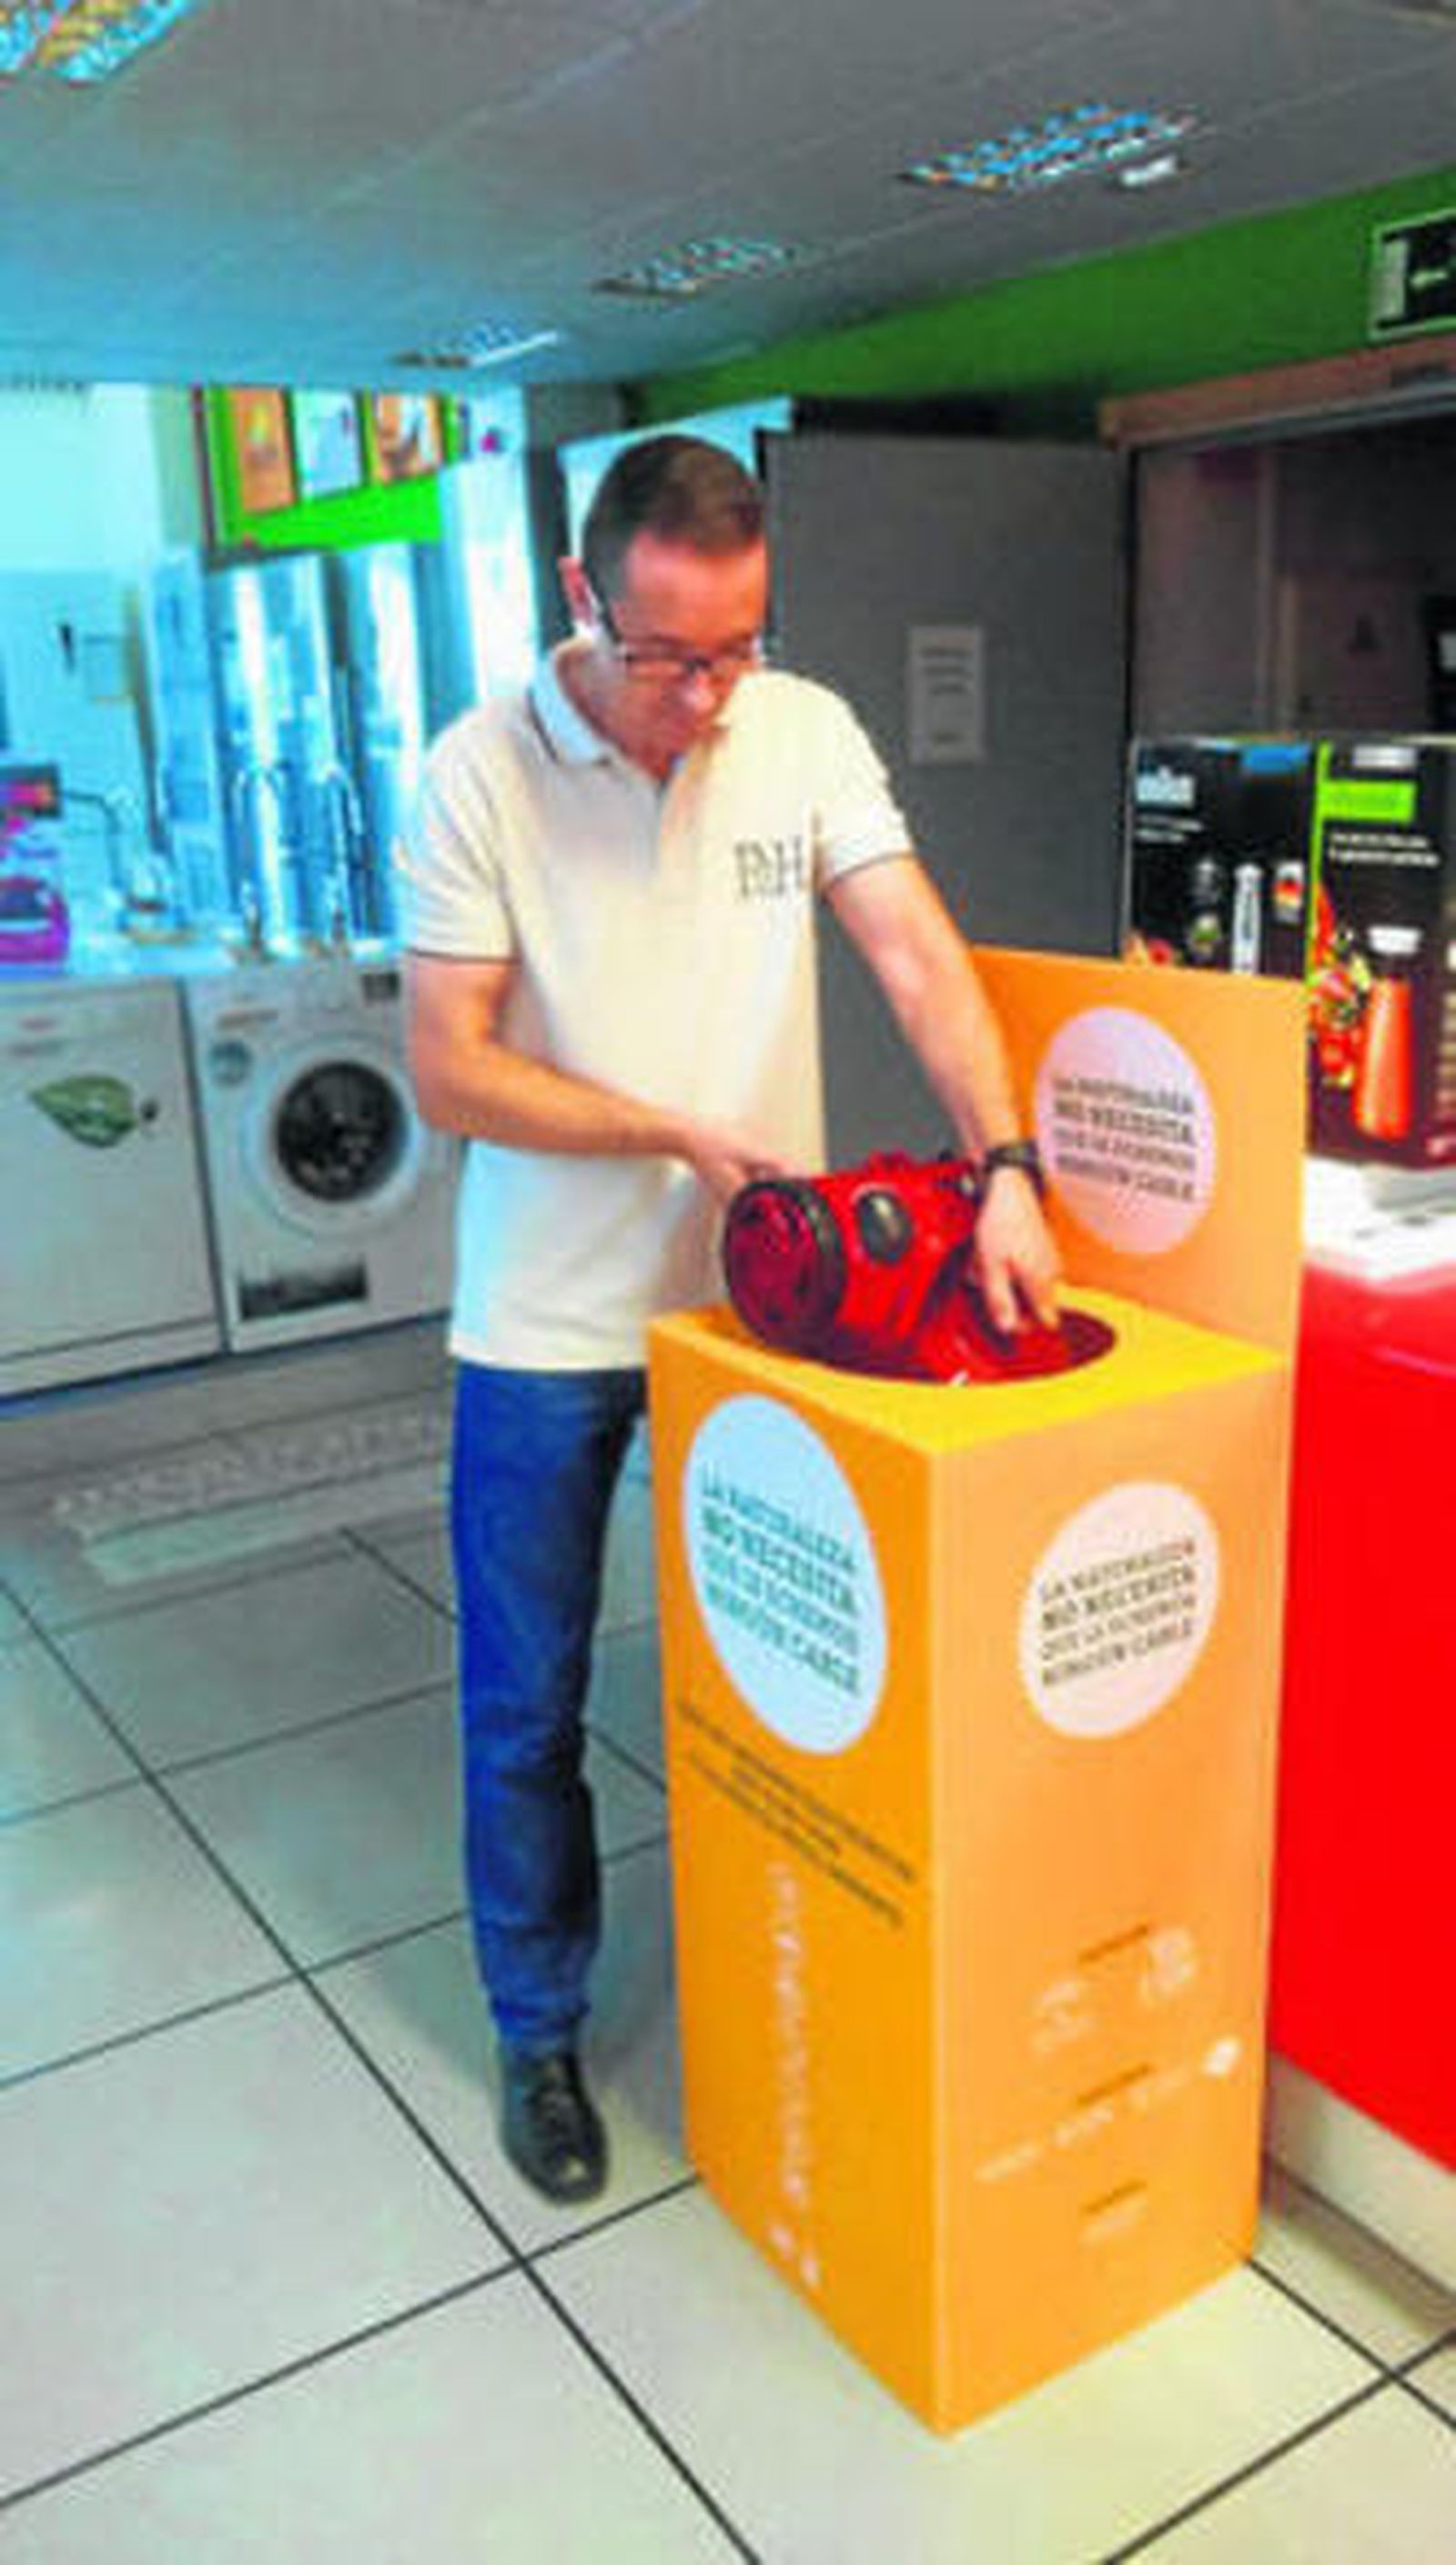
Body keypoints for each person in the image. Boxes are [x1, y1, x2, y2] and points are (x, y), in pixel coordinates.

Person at [399, 433, 1059, 2205]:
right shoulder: (474, 774)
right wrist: (669, 1127)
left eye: (736, 647)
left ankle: (784, 2004)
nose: (701, 693)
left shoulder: (803, 726)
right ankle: (537, 2024)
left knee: (781, 1696)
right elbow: (448, 1069)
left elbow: (914, 952)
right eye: (665, 652)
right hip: (540, 1326)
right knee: (527, 1703)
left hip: (765, 1315)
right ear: (579, 597)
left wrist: (1006, 1158)